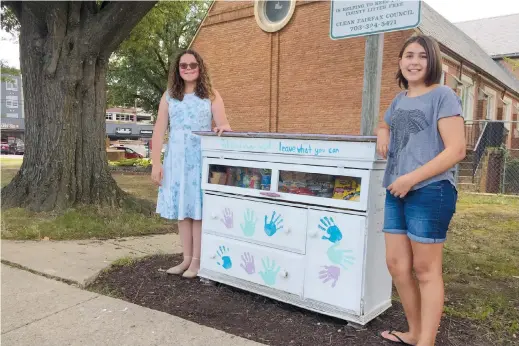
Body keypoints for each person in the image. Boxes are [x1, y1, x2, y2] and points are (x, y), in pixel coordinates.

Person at [376, 34, 466, 346]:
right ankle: (414, 333)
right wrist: (382, 133)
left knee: (425, 270)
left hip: (430, 191)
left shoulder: (443, 95)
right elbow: (385, 123)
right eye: (409, 55)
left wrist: (410, 178)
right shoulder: (399, 99)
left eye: (422, 56)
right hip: (396, 189)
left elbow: (456, 150)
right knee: (397, 266)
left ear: (432, 62)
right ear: (400, 62)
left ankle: (425, 342)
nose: (415, 62)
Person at [151, 49, 232, 279]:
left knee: (197, 210)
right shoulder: (169, 96)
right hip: (176, 160)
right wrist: (156, 163)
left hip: (199, 159)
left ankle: (197, 262)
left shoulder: (211, 95)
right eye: (183, 65)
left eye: (192, 65)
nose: (188, 69)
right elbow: (159, 130)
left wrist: (222, 128)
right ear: (177, 69)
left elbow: (224, 124)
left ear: (200, 67)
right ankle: (186, 258)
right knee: (182, 211)